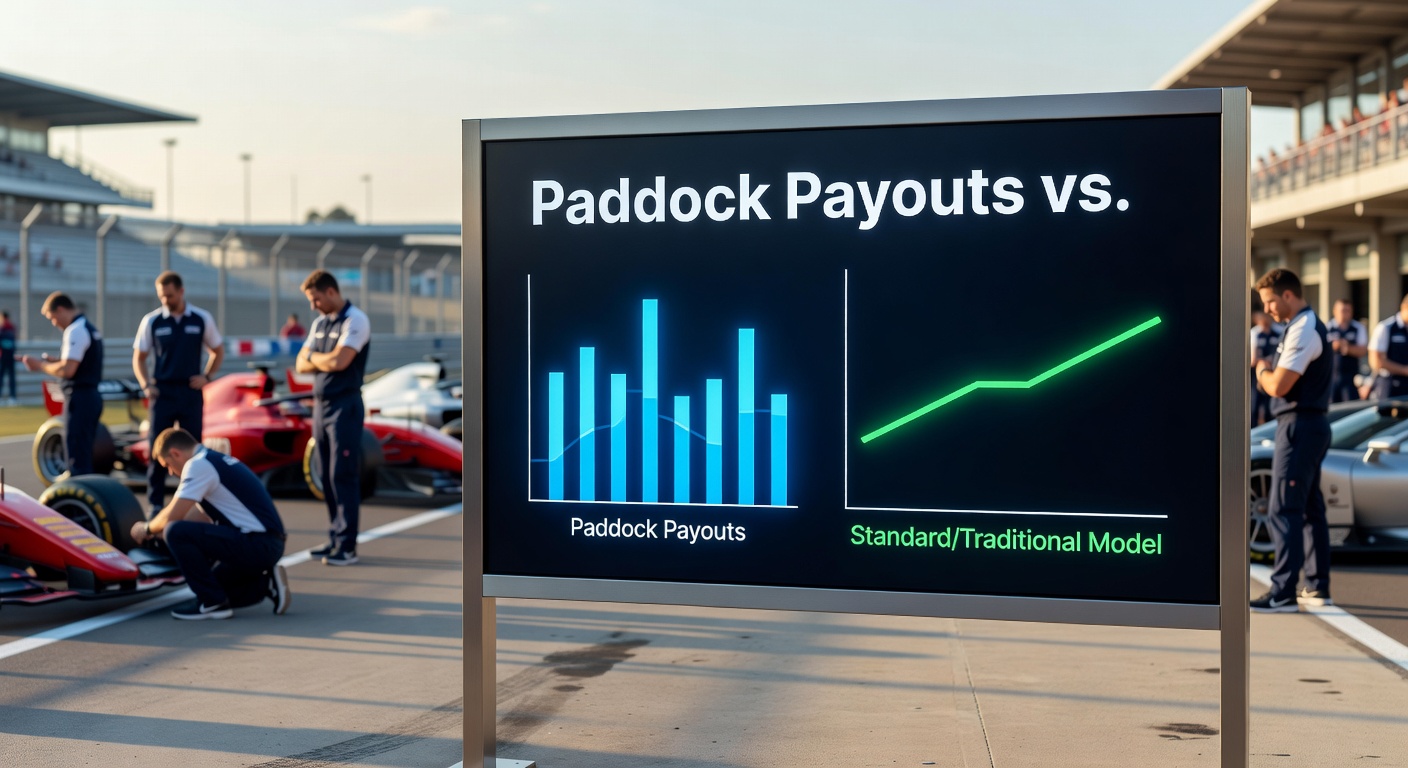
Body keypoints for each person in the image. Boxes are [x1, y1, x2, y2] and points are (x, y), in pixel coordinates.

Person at [130, 428, 290, 620]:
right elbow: (200, 517)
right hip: (265, 543)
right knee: (215, 584)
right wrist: (159, 532)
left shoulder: (198, 465)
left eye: (168, 465)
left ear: (175, 453)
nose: (171, 472)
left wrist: (146, 528)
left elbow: (172, 516)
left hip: (258, 543)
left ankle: (213, 605)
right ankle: (265, 584)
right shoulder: (213, 459)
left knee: (174, 531)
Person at [1252, 269, 1334, 613]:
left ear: (1288, 295)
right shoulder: (1302, 325)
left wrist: (1261, 371)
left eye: (1270, 301)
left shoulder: (1303, 328)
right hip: (1307, 424)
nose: (1267, 309)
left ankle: (1283, 591)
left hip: (1299, 425)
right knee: (1310, 507)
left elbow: (1279, 385)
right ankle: (1316, 586)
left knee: (1284, 507)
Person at [295, 270, 371, 565]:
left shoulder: (356, 320)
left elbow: (342, 361)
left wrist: (316, 359)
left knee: (343, 474)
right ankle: (334, 537)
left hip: (345, 405)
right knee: (325, 475)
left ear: (330, 292)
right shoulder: (320, 323)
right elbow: (301, 363)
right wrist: (320, 360)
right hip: (320, 406)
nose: (313, 306)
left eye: (316, 299)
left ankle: (347, 546)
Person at [133, 271, 224, 512]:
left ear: (181, 292)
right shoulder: (152, 321)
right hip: (161, 393)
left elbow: (218, 350)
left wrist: (207, 376)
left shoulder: (201, 318)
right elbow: (139, 357)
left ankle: (197, 502)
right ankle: (155, 503)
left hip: (189, 392)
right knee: (157, 448)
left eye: (169, 295)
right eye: (162, 296)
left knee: (194, 449)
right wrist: (145, 384)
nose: (165, 300)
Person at [19, 293, 103, 476]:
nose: (54, 323)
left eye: (52, 318)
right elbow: (76, 364)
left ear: (61, 310)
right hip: (89, 396)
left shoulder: (75, 330)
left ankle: (76, 502)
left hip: (80, 398)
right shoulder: (87, 327)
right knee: (83, 453)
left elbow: (67, 370)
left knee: (77, 458)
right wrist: (55, 361)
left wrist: (40, 365)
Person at [1325, 299, 1367, 403]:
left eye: (1348, 310)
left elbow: (1362, 351)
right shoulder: (1327, 327)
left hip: (1351, 377)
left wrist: (1346, 348)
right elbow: (1320, 350)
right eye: (1342, 310)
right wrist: (1334, 346)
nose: (1345, 314)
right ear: (1335, 311)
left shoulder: (1358, 328)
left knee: (1350, 408)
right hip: (1330, 377)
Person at [1367, 292, 1408, 399]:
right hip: (1388, 386)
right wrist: (1404, 370)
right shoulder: (1386, 327)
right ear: (1404, 307)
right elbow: (1376, 362)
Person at [1249, 311, 1282, 427]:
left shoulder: (1278, 331)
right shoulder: (1255, 333)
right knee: (1254, 406)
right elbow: (1252, 360)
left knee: (1271, 407)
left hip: (1274, 373)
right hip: (1257, 376)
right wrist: (1262, 362)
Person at [0, 309, 16, 406]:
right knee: (11, 377)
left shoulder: (3, 327)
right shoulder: (12, 327)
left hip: (3, 356)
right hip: (10, 356)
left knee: (2, 377)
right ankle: (12, 397)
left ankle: (7, 397)